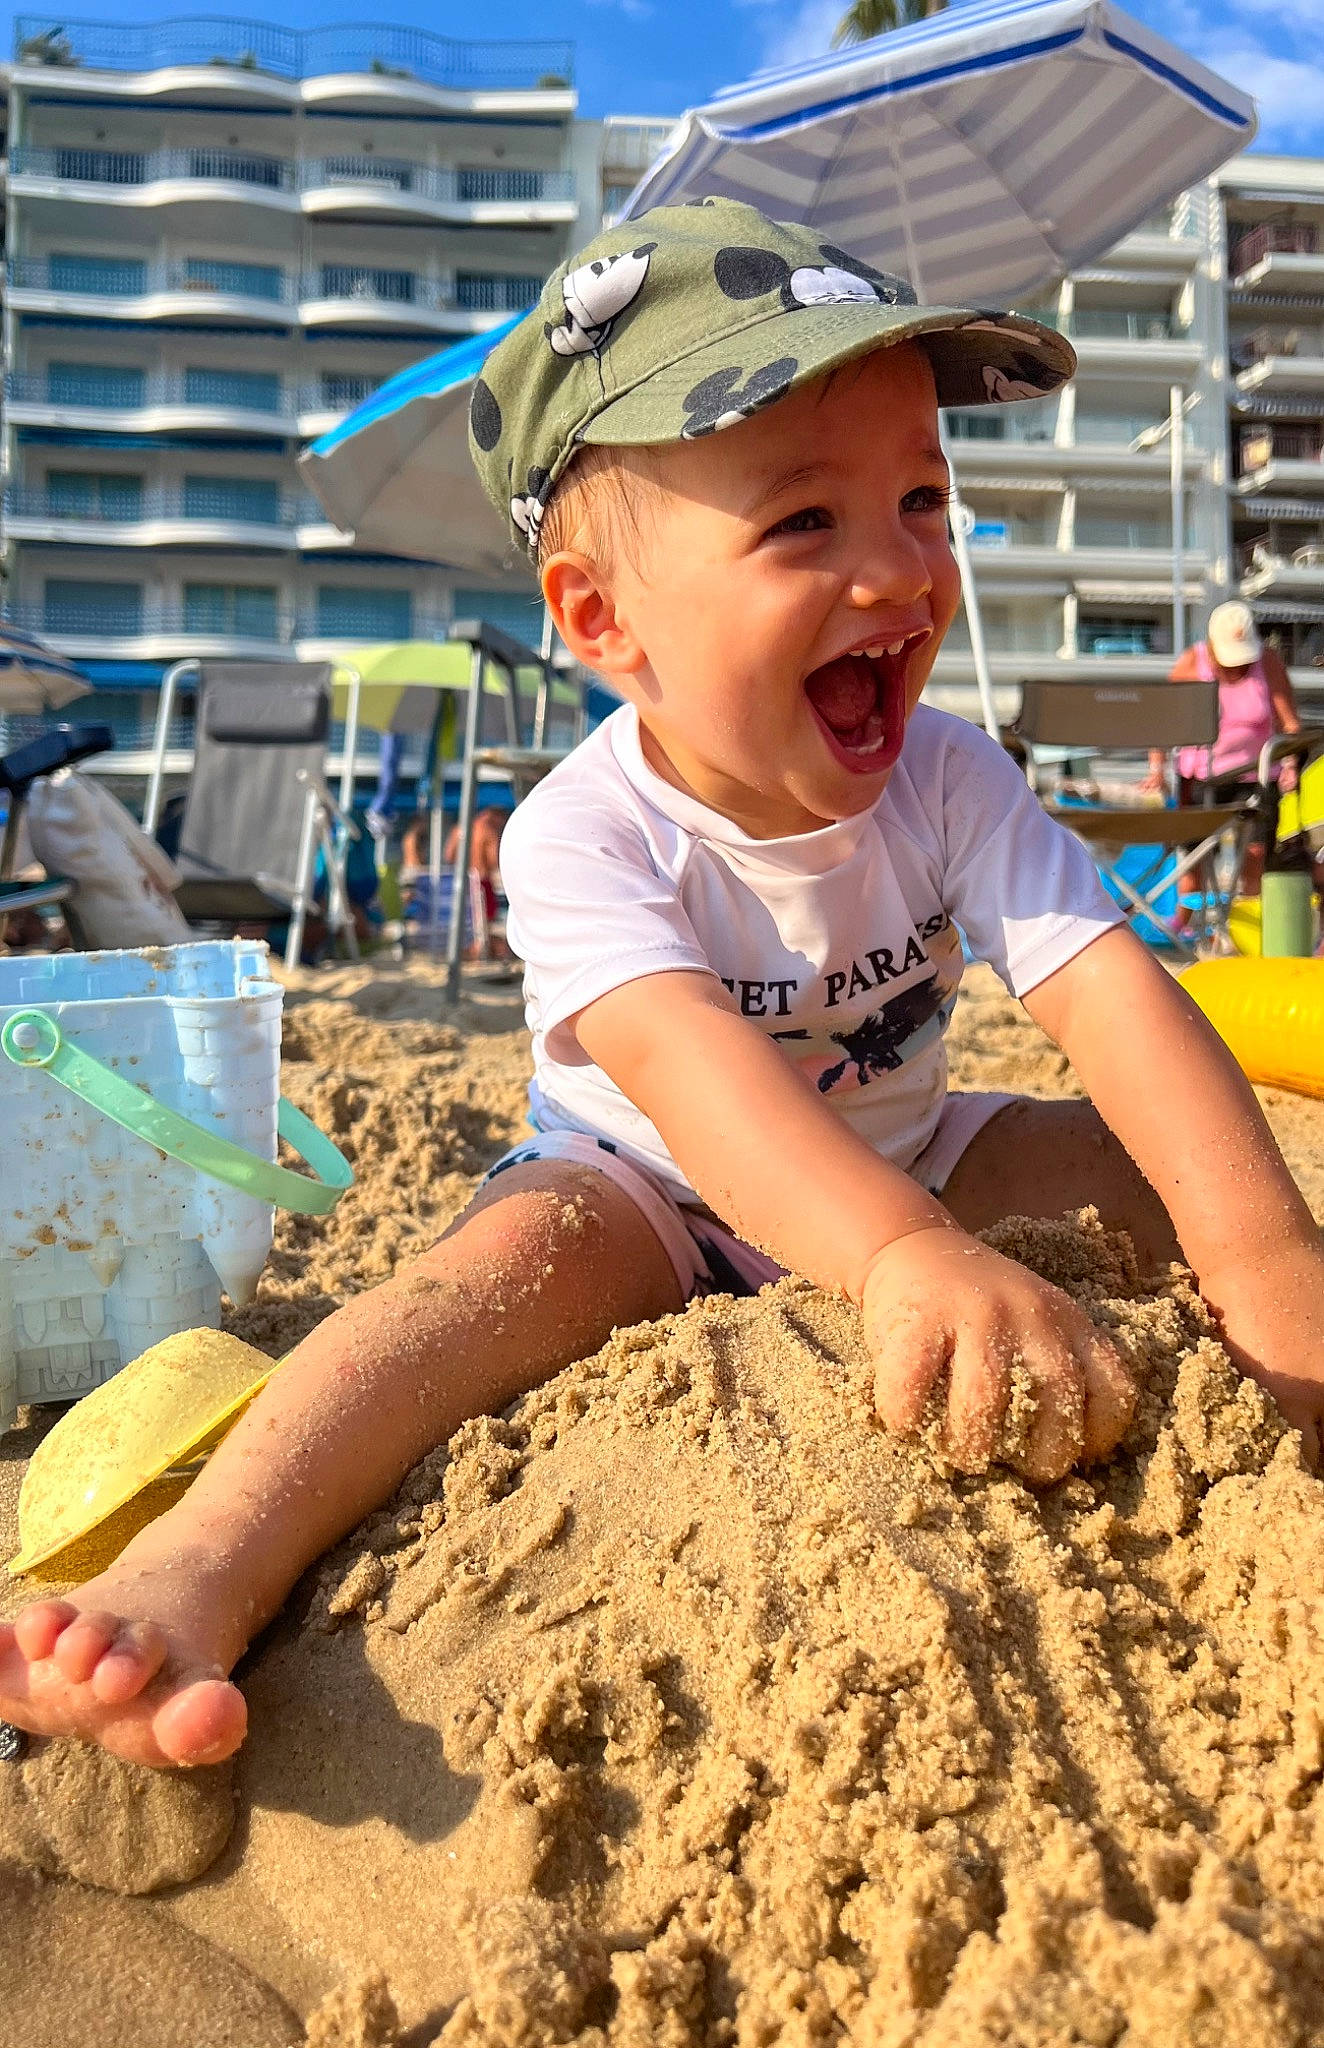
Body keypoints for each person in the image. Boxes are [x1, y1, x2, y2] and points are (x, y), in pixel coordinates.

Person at [3, 200, 1323, 1773]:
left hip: (913, 1148)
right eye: (805, 526)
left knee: (1146, 1158)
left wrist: (1267, 1265)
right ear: (601, 619)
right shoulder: (584, 833)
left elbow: (1118, 999)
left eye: (923, 499)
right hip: (652, 1186)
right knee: (469, 1287)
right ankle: (201, 1564)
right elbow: (697, 1084)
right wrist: (898, 1256)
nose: (899, 569)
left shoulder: (956, 780)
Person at [1139, 604, 1304, 888]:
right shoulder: (1192, 662)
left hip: (1257, 774)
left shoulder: (1268, 662)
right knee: (1194, 858)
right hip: (1202, 777)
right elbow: (1163, 722)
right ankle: (1184, 923)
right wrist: (1157, 770)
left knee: (1256, 853)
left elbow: (1290, 724)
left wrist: (1291, 764)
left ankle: (1245, 920)